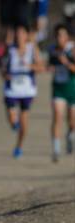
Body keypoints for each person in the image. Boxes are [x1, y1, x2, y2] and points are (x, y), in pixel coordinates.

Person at [1, 24, 45, 159]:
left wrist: (30, 66)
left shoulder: (32, 49)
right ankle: (14, 124)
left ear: (27, 35)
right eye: (17, 33)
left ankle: (19, 146)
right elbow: (3, 68)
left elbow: (41, 67)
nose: (19, 36)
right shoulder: (10, 49)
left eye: (22, 33)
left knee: (24, 123)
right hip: (12, 89)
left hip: (27, 89)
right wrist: (5, 74)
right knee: (12, 118)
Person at [48, 24, 75, 162]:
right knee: (57, 116)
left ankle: (70, 136)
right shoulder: (52, 50)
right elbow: (48, 65)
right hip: (58, 89)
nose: (60, 38)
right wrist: (50, 67)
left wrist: (66, 63)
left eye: (62, 35)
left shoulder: (72, 49)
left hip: (72, 89)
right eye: (57, 35)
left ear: (67, 37)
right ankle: (56, 149)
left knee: (72, 121)